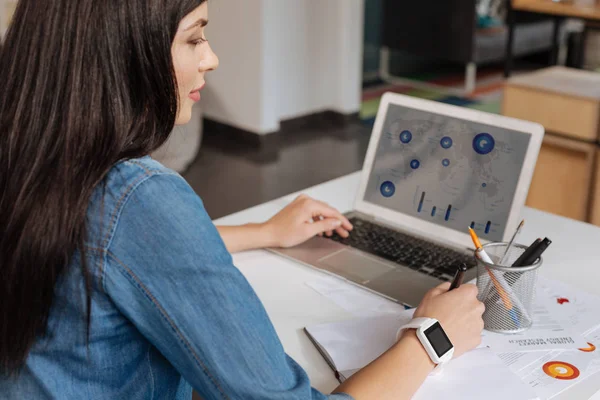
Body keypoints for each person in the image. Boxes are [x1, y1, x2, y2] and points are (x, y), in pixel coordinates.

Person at [0, 1, 485, 399]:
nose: (210, 58)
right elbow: (133, 230)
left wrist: (265, 233)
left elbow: (109, 248)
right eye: (193, 38)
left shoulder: (29, 158)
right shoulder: (138, 198)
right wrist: (429, 339)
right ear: (122, 53)